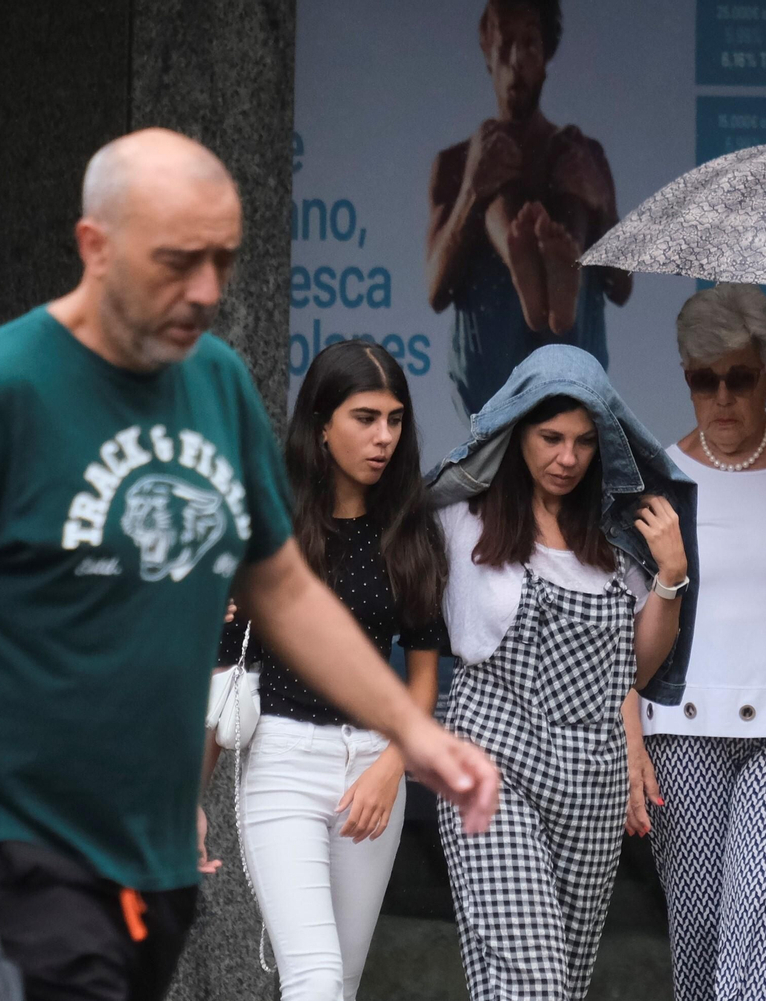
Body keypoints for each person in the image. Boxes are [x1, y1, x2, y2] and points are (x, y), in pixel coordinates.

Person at [0, 129, 498, 1001]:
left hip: (149, 848)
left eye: (223, 260)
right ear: (95, 247)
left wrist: (411, 729)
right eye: (178, 261)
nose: (207, 290)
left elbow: (285, 589)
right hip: (13, 827)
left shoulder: (217, 384)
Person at [426, 343, 694, 1001]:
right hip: (492, 758)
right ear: (516, 431)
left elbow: (634, 668)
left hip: (594, 780)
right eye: (550, 437)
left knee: (561, 985)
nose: (567, 457)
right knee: (534, 985)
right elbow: (376, 587)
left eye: (582, 441)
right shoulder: (460, 516)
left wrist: (671, 578)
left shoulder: (621, 536)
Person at [206, 340, 446, 1000]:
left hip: (375, 765)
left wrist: (392, 763)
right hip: (283, 761)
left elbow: (421, 672)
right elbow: (221, 664)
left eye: (395, 419)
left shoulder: (410, 525)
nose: (384, 436)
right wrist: (187, 805)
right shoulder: (270, 525)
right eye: (365, 417)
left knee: (340, 977)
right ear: (321, 423)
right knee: (314, 978)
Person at [626, 284, 766, 1001]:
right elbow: (630, 650)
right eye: (703, 379)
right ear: (685, 377)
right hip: (682, 732)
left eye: (739, 377)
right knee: (697, 936)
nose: (722, 395)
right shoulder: (657, 477)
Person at [425, 0, 633, 417]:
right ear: (487, 50)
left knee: (570, 163)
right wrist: (472, 189)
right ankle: (525, 270)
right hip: (492, 391)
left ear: (547, 54)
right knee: (493, 161)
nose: (516, 61)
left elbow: (622, 285)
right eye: (505, 46)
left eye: (530, 45)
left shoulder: (583, 154)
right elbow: (436, 290)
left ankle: (562, 277)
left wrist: (601, 203)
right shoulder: (459, 162)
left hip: (571, 382)